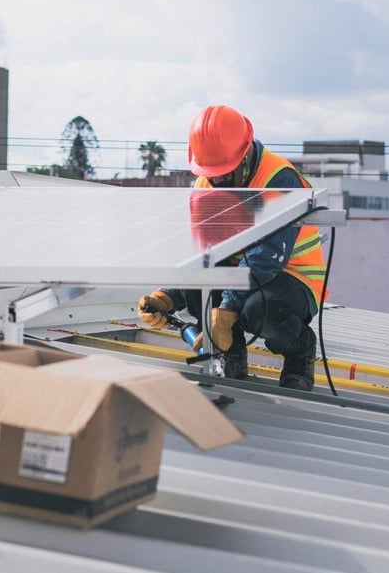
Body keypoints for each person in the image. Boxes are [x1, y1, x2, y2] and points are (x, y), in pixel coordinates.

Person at [137, 104, 327, 391]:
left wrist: (225, 311)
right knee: (198, 287)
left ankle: (300, 353)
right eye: (212, 174)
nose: (218, 181)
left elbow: (266, 258)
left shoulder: (278, 178)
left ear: (246, 153)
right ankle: (231, 357)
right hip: (243, 275)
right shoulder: (204, 186)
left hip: (293, 279)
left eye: (225, 173)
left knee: (259, 309)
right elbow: (203, 255)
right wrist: (168, 296)